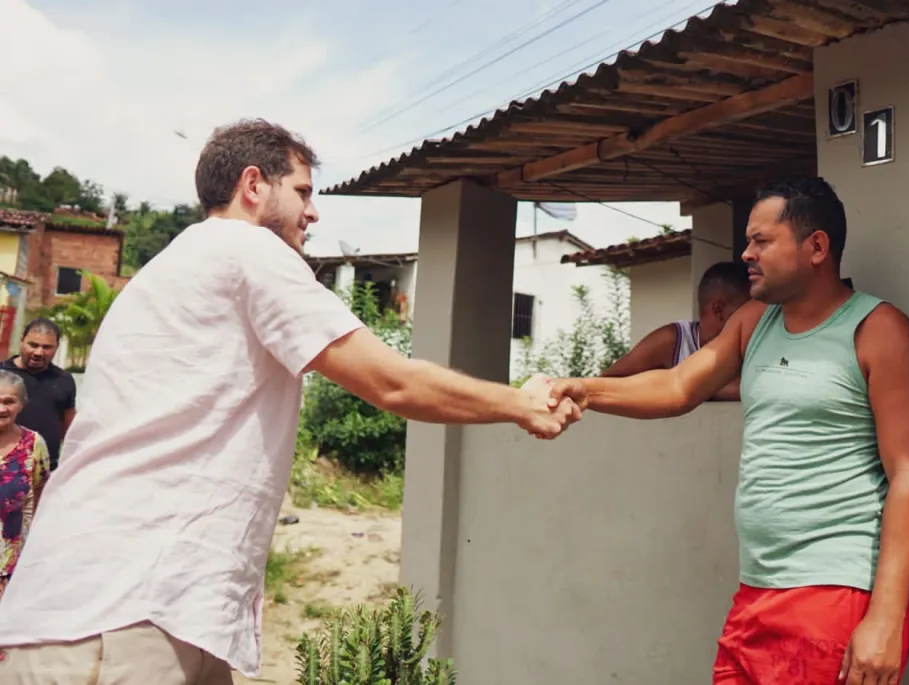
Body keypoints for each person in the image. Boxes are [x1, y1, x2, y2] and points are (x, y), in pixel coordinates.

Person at [0, 118, 579, 683]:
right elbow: (392, 382)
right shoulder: (247, 250)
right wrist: (521, 403)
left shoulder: (174, 266)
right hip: (123, 612)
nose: (313, 211)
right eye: (302, 191)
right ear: (253, 185)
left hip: (136, 605)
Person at [548, 177, 909, 685]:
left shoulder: (879, 332)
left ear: (817, 247)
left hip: (835, 594)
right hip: (757, 589)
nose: (747, 254)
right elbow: (678, 385)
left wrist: (885, 617)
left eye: (761, 241)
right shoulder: (755, 322)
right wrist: (584, 389)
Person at [601, 261, 750, 400]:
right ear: (718, 310)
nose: (754, 320)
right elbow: (604, 386)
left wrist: (700, 387)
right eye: (746, 312)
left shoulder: (751, 346)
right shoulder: (673, 341)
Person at [0, 370, 50, 602]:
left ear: (21, 404)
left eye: (9, 401)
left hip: (10, 564)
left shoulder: (33, 444)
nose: (2, 409)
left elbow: (41, 496)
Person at [1, 319, 76, 471]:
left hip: (46, 469)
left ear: (56, 347)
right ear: (22, 341)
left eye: (47, 347)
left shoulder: (64, 380)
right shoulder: (2, 374)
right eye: (33, 345)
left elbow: (69, 431)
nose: (38, 352)